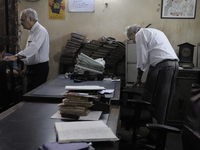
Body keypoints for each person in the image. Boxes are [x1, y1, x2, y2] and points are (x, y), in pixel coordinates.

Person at [125, 24, 179, 124]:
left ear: (133, 33)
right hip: (173, 65)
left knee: (156, 100)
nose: (133, 41)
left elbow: (142, 60)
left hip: (163, 66)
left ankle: (154, 131)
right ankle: (159, 130)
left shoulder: (140, 34)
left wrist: (138, 78)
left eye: (131, 38)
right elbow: (155, 56)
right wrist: (151, 80)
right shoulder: (155, 31)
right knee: (165, 99)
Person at [4, 8, 49, 92]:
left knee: (35, 94)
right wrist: (27, 67)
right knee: (30, 92)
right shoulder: (32, 32)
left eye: (22, 20)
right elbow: (29, 51)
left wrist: (15, 57)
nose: (21, 23)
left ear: (30, 19)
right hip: (32, 68)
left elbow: (33, 48)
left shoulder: (40, 30)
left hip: (39, 69)